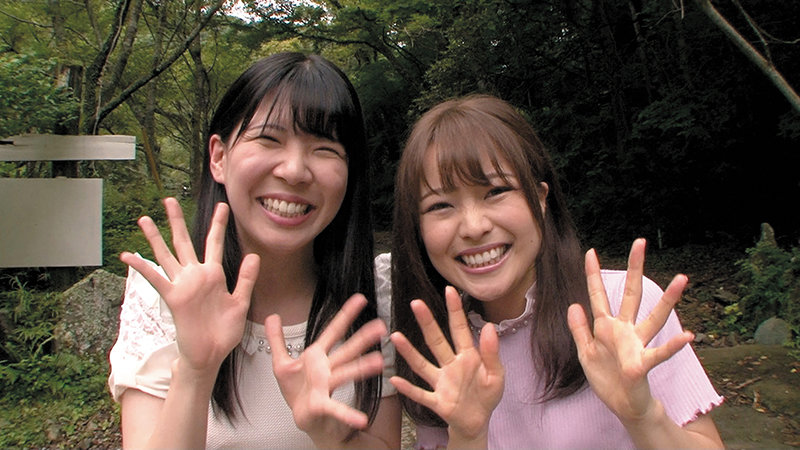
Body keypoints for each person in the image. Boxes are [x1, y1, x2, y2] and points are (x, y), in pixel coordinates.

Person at [388, 94, 724, 448]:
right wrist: (467, 436)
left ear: (541, 197)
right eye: (440, 205)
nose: (473, 227)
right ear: (418, 228)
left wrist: (643, 416)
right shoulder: (440, 350)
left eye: (496, 191)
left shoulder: (621, 311)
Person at [107, 52, 400, 448]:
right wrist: (195, 370)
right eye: (268, 139)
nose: (294, 170)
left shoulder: (373, 295)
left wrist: (332, 435)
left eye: (325, 148)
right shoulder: (165, 296)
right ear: (219, 157)